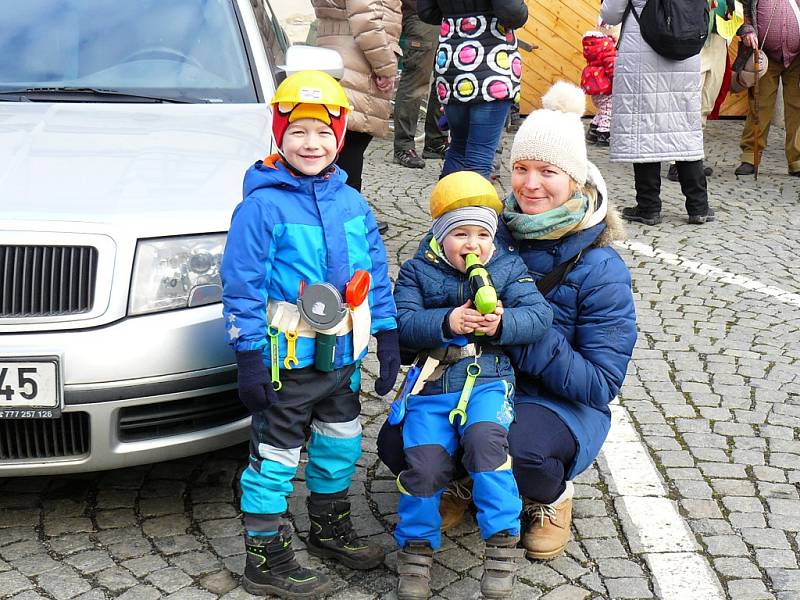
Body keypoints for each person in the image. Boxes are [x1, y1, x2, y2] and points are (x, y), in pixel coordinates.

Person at [378, 81, 637, 563]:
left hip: (553, 400)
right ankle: (462, 482)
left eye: (547, 172)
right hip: (468, 381)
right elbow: (413, 314)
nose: (530, 184)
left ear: (576, 181)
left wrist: (513, 331)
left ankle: (550, 498)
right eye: (521, 168)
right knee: (397, 444)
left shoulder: (601, 267)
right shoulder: (478, 231)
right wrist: (446, 322)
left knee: (522, 453)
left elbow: (600, 383)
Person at [220, 70, 401, 599]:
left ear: (340, 135)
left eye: (324, 132)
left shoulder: (353, 204)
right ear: (279, 133)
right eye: (298, 130)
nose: (312, 143)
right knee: (274, 457)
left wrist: (386, 334)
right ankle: (265, 554)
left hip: (341, 360)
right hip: (286, 364)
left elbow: (377, 273)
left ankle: (328, 525)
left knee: (341, 444)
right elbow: (242, 287)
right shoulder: (262, 207)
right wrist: (250, 357)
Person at [391, 170, 553, 599]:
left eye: (481, 234)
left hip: (488, 380)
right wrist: (446, 321)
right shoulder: (416, 271)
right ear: (439, 236)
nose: (472, 245)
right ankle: (416, 550)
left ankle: (501, 543)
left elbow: (539, 316)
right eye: (459, 234)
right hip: (433, 384)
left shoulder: (507, 266)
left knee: (486, 445)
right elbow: (402, 324)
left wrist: (503, 323)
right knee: (423, 465)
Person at [601, 0, 715, 226]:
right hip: (685, 51)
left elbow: (611, 14)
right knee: (684, 127)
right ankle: (698, 206)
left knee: (643, 128)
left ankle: (648, 207)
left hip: (642, 51)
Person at [417, 0, 528, 179]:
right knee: (480, 156)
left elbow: (426, 11)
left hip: (452, 65)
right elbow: (513, 13)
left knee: (458, 148)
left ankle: (447, 205)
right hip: (491, 68)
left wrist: (458, 15)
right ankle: (473, 205)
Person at [311, 0, 402, 193]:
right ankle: (348, 216)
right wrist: (386, 67)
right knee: (349, 145)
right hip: (356, 61)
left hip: (338, 53)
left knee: (339, 145)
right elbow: (366, 19)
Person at [732, 0, 800, 177]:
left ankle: (797, 161)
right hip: (764, 55)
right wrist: (747, 31)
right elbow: (745, 10)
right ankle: (750, 157)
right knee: (760, 107)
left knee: (797, 107)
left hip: (798, 57)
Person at [667, 0, 733, 181]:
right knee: (687, 101)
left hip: (719, 36)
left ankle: (693, 159)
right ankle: (676, 163)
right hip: (694, 36)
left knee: (706, 102)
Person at [393, 0, 449, 169]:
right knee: (416, 83)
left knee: (444, 81)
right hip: (421, 14)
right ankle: (404, 146)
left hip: (449, 16)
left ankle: (435, 141)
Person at [581, 21, 620, 147]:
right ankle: (604, 135)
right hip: (605, 85)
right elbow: (611, 65)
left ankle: (593, 130)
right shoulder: (607, 46)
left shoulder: (593, 44)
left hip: (596, 86)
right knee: (609, 110)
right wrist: (617, 79)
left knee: (603, 109)